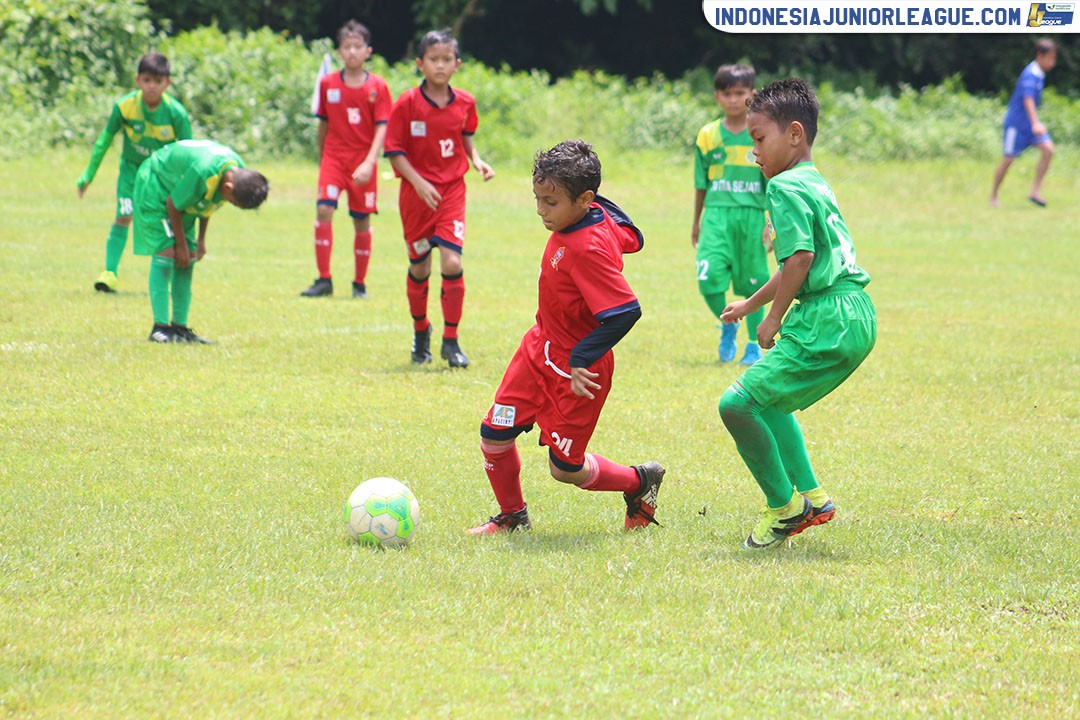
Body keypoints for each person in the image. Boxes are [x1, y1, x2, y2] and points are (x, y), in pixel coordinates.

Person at [467, 140, 665, 535]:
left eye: (551, 202)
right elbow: (633, 234)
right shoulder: (594, 214)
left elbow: (626, 311)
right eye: (537, 198)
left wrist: (579, 358)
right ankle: (512, 516)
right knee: (494, 433)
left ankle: (639, 481)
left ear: (584, 199)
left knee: (565, 469)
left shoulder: (586, 248)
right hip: (538, 348)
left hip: (579, 371)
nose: (541, 210)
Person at [718, 79, 876, 550]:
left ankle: (786, 509)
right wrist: (750, 304)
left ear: (793, 134)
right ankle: (813, 497)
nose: (754, 152)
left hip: (827, 317)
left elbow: (800, 260)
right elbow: (796, 264)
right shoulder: (813, 180)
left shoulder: (783, 187)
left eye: (759, 139)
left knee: (736, 405)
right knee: (769, 400)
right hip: (853, 311)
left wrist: (770, 320)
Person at [383, 29, 495, 368]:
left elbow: (465, 135)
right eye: (433, 59)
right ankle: (421, 332)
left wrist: (476, 160)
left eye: (447, 59)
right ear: (420, 63)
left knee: (452, 262)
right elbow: (394, 150)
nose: (440, 65)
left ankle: (451, 340)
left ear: (457, 64)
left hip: (451, 192)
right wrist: (417, 182)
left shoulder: (465, 102)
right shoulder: (406, 103)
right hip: (416, 198)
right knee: (420, 266)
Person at [132, 139, 268, 343]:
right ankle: (159, 329)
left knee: (188, 258)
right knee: (167, 252)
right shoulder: (204, 171)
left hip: (179, 193)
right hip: (157, 186)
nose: (229, 203)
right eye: (232, 202)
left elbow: (209, 201)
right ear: (229, 187)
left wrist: (199, 240)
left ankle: (180, 329)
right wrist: (180, 244)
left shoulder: (235, 170)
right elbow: (173, 204)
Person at [77, 52, 192, 293]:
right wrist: (88, 174)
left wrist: (187, 185)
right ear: (138, 80)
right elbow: (104, 141)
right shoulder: (125, 107)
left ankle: (165, 273)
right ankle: (109, 273)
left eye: (158, 82)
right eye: (147, 80)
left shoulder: (176, 113)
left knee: (169, 222)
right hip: (132, 173)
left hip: (163, 178)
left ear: (167, 83)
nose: (152, 87)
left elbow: (188, 152)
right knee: (124, 216)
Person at [301, 20, 393, 299]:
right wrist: (322, 158)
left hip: (362, 162)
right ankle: (323, 279)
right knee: (324, 210)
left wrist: (370, 162)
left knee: (361, 220)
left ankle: (359, 283)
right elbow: (323, 124)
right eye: (347, 46)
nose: (352, 51)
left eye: (358, 46)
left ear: (368, 51)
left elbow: (382, 126)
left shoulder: (377, 86)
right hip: (333, 159)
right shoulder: (328, 83)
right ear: (339, 51)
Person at [692, 64, 771, 366]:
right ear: (717, 97)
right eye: (728, 94)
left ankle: (753, 346)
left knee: (754, 281)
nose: (734, 100)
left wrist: (770, 221)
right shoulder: (708, 135)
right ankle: (729, 322)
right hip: (716, 215)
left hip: (752, 216)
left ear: (752, 95)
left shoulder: (762, 133)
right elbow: (701, 182)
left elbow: (773, 180)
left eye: (740, 93)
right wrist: (696, 221)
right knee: (708, 278)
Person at [990, 38, 1057, 208]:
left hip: (1030, 124)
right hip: (1017, 125)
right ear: (1039, 55)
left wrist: (1034, 123)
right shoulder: (1030, 74)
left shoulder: (1039, 75)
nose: (1052, 62)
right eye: (1050, 58)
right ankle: (993, 196)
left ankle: (1035, 191)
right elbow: (1028, 100)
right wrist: (1035, 123)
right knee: (1008, 160)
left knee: (1048, 150)